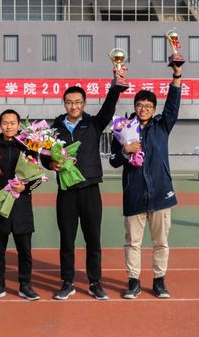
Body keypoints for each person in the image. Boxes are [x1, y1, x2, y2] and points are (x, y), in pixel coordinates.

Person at [41, 74, 126, 300]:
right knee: (67, 240)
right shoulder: (54, 129)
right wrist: (50, 164)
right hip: (66, 192)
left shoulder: (93, 124)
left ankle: (95, 283)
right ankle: (67, 283)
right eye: (69, 102)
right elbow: (44, 155)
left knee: (93, 240)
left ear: (84, 103)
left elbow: (108, 108)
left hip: (90, 189)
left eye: (78, 102)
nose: (74, 106)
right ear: (64, 103)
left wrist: (116, 86)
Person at [109, 64, 183, 299]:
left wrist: (177, 75)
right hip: (134, 195)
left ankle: (159, 281)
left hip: (161, 194)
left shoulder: (162, 125)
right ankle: (133, 282)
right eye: (140, 105)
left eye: (148, 106)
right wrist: (125, 151)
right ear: (134, 107)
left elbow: (173, 104)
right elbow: (113, 161)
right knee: (133, 243)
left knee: (161, 242)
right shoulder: (122, 129)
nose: (143, 109)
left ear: (154, 109)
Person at [0, 109, 42, 301]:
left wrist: (25, 187)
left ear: (18, 124)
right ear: (0, 125)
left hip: (22, 206)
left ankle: (25, 286)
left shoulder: (28, 146)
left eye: (12, 123)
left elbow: (38, 178)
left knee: (25, 250)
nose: (9, 126)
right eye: (5, 123)